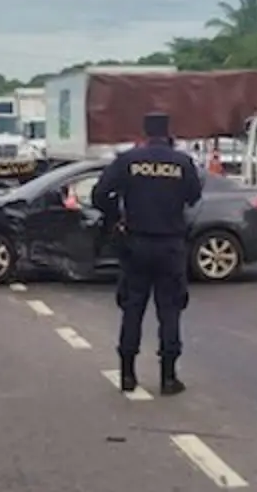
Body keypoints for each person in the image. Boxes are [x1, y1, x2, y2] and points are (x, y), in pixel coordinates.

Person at [93, 112, 203, 397]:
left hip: (136, 244)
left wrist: (116, 216)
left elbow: (99, 193)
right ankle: (168, 378)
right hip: (170, 245)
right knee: (170, 311)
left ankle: (128, 375)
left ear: (144, 133)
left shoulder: (128, 160)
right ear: (168, 133)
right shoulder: (181, 162)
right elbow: (194, 196)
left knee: (132, 308)